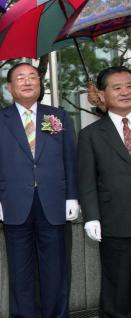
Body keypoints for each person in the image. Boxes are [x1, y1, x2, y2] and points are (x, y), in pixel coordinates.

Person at [0, 63, 79, 317]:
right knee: (20, 271)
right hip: (14, 204)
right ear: (9, 87)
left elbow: (70, 158)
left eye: (33, 77)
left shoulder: (58, 116)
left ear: (40, 83)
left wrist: (72, 195)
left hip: (53, 201)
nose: (27, 82)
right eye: (20, 78)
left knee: (56, 270)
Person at [78, 66, 131, 317]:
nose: (125, 92)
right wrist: (91, 216)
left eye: (129, 86)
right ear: (102, 94)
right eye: (117, 87)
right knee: (117, 289)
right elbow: (86, 180)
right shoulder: (90, 135)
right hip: (115, 221)